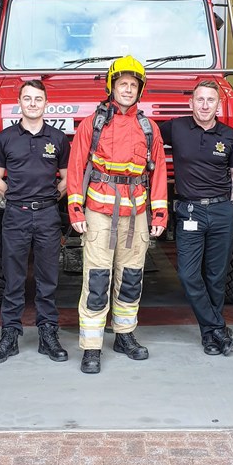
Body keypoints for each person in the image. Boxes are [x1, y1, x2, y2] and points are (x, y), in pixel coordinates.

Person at [67, 55, 168, 374]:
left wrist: (159, 214)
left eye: (133, 84)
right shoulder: (93, 123)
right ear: (112, 86)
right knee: (97, 278)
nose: (128, 89)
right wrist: (75, 208)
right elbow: (75, 165)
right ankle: (92, 347)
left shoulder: (148, 127)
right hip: (99, 211)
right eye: (123, 83)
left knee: (131, 277)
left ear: (141, 90)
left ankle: (124, 335)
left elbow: (159, 172)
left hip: (136, 212)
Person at [160, 80, 233, 356]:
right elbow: (143, 134)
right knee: (187, 274)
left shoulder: (231, 136)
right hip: (190, 212)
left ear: (218, 105)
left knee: (216, 276)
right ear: (191, 103)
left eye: (211, 100)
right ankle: (217, 326)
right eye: (200, 99)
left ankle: (210, 336)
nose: (205, 105)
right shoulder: (176, 128)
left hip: (222, 211)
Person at [0, 80, 70, 364]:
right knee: (14, 278)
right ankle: (9, 335)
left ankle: (48, 334)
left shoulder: (58, 139)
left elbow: (67, 177)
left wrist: (49, 198)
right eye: (27, 99)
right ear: (19, 103)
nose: (32, 103)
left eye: (38, 99)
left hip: (48, 215)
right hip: (15, 214)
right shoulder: (6, 137)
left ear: (45, 103)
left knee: (48, 279)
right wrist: (15, 197)